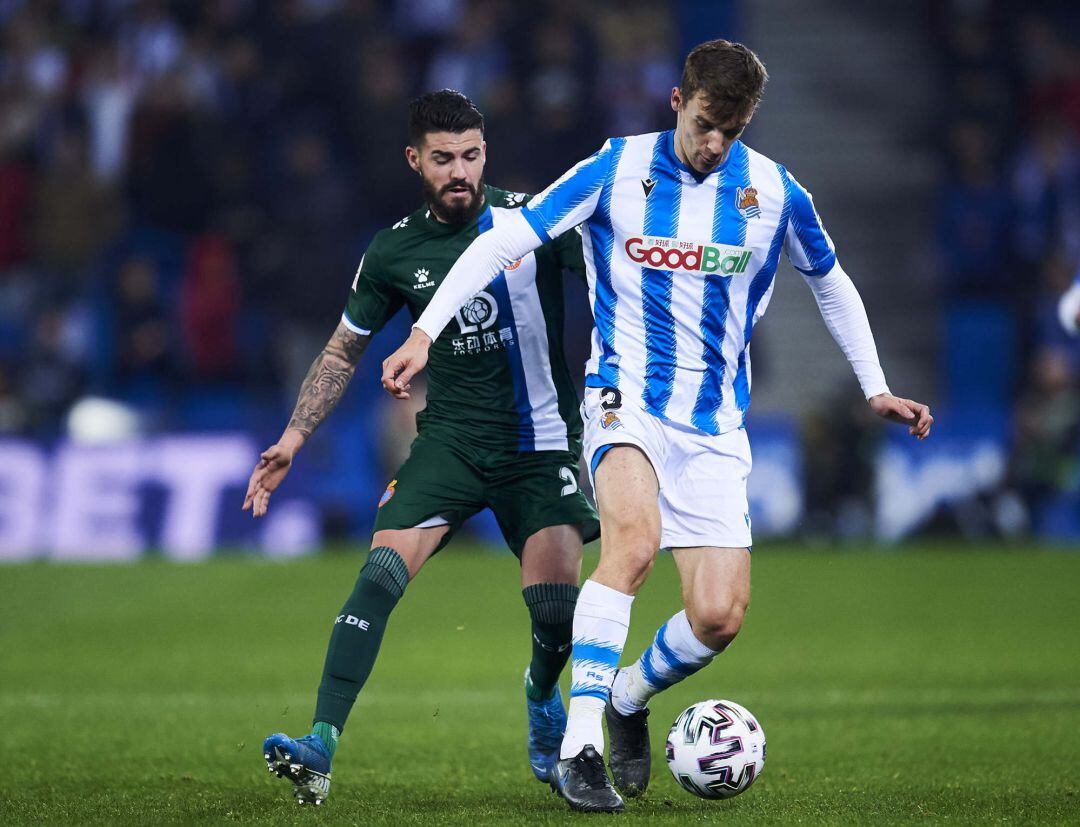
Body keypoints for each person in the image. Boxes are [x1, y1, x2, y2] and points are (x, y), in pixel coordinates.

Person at [380, 41, 934, 813]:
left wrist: (875, 386)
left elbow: (830, 281)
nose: (715, 144)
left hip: (714, 425)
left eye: (731, 131)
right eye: (705, 124)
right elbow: (505, 238)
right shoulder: (616, 168)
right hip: (624, 400)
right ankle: (579, 749)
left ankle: (627, 697)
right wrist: (424, 331)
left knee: (719, 616)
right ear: (678, 101)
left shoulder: (775, 193)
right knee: (633, 545)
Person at [246, 90, 599, 806]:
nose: (459, 171)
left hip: (543, 446)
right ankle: (320, 744)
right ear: (414, 160)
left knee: (556, 612)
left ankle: (540, 694)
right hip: (451, 444)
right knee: (378, 575)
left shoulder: (535, 221)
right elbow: (343, 352)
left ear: (485, 153)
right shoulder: (393, 250)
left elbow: (614, 269)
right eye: (443, 159)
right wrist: (292, 436)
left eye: (470, 155)